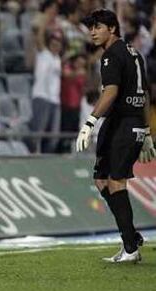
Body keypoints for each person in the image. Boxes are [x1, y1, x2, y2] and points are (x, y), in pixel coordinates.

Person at [76, 9, 156, 263]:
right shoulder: (134, 53)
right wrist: (147, 131)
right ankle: (131, 236)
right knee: (101, 180)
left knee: (116, 181)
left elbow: (110, 92)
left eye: (97, 27)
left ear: (112, 28)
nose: (92, 32)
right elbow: (145, 94)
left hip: (124, 123)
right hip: (123, 123)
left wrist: (90, 121)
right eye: (91, 27)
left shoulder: (112, 55)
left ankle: (130, 248)